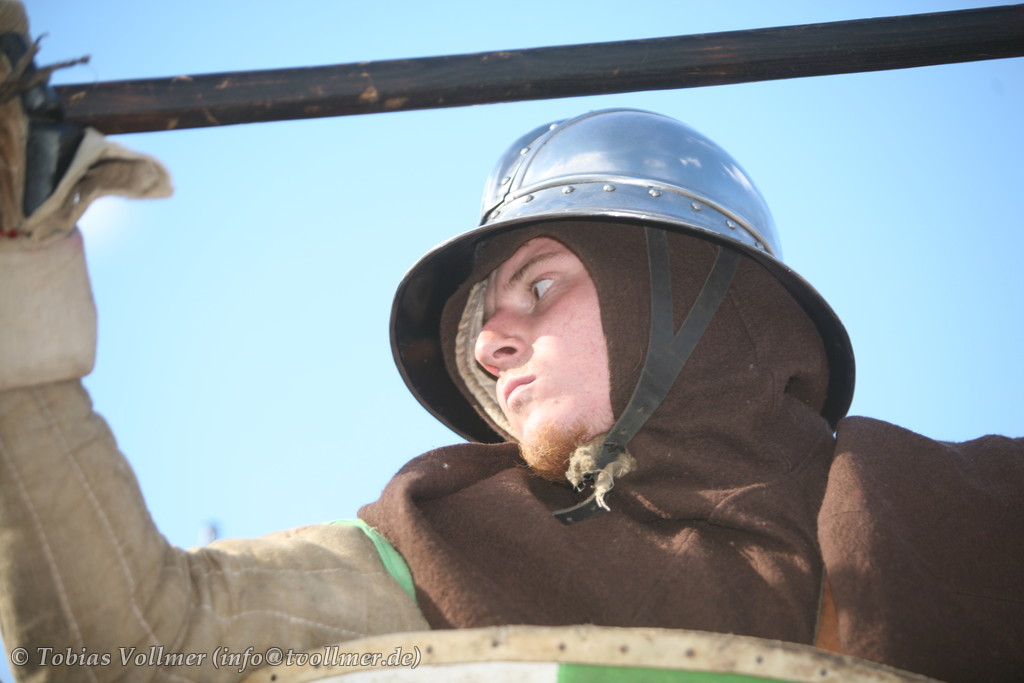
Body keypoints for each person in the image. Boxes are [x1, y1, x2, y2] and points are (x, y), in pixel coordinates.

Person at [1, 3, 1021, 682]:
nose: (490, 340)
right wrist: (16, 268)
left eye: (539, 285)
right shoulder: (433, 554)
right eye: (485, 314)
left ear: (687, 298)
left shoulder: (967, 517)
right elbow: (124, 639)